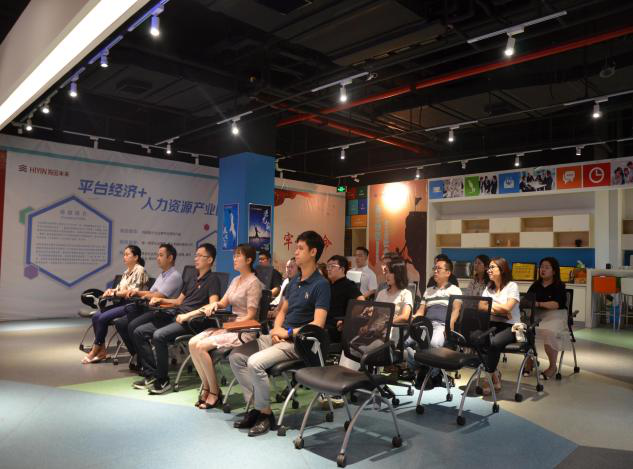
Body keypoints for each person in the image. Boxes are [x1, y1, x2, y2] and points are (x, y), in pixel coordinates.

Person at [228, 231, 330, 436]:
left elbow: (317, 324)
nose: (296, 252)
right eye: (296, 248)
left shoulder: (321, 285)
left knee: (254, 363)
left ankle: (266, 415)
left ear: (313, 252)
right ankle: (258, 407)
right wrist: (276, 330)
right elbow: (282, 311)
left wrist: (287, 332)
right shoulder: (294, 281)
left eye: (300, 248)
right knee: (236, 357)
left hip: (298, 343)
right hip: (279, 336)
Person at [132, 243, 221, 394]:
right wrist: (161, 300)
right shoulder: (192, 278)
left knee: (159, 335)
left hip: (192, 322)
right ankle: (151, 374)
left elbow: (212, 305)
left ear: (210, 260)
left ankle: (163, 380)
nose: (196, 258)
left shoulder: (213, 279)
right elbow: (179, 301)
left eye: (200, 256)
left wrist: (189, 315)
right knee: (139, 331)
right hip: (177, 315)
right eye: (196, 255)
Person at [186, 244, 263, 409]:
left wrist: (232, 325)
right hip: (230, 327)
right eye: (234, 255)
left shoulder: (254, 283)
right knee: (192, 343)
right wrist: (214, 305)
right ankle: (207, 388)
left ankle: (214, 392)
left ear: (249, 260)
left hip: (244, 331)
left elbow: (250, 316)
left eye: (238, 256)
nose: (234, 259)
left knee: (201, 346)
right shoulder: (236, 280)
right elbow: (222, 303)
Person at [113, 244, 183, 366]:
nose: (157, 258)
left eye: (161, 255)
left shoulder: (174, 276)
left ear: (170, 258)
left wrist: (141, 294)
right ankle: (137, 355)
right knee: (120, 323)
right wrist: (137, 292)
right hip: (151, 309)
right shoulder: (162, 274)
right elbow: (151, 292)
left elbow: (158, 295)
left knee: (133, 326)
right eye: (157, 255)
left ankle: (144, 362)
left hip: (163, 313)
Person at [81, 245, 149, 364]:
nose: (124, 257)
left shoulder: (140, 270)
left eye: (127, 254)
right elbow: (119, 289)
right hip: (122, 303)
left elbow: (132, 292)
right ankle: (102, 352)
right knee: (96, 316)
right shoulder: (126, 272)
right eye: (124, 254)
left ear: (136, 257)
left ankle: (94, 350)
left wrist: (116, 293)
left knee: (102, 318)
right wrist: (111, 291)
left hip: (133, 305)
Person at [407, 258, 462, 387]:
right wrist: (414, 318)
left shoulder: (455, 290)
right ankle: (421, 369)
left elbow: (456, 311)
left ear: (448, 273)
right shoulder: (428, 290)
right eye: (434, 268)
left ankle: (431, 374)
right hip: (426, 325)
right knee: (406, 342)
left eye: (439, 269)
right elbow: (421, 311)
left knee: (434, 343)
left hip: (442, 325)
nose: (435, 271)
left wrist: (449, 327)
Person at [480, 257, 521, 395]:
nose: (488, 270)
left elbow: (508, 308)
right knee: (477, 339)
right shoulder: (489, 287)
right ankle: (495, 374)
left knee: (494, 343)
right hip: (491, 324)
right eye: (488, 267)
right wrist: (501, 310)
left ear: (502, 270)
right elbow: (481, 306)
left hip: (511, 326)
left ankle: (487, 377)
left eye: (492, 267)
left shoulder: (512, 286)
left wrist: (491, 307)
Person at [524, 257, 567, 380]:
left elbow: (556, 304)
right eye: (541, 267)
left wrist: (538, 304)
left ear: (554, 271)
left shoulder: (559, 286)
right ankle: (530, 360)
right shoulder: (536, 285)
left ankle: (552, 366)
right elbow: (527, 300)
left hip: (555, 316)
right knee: (523, 329)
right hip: (537, 315)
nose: (543, 270)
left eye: (547, 267)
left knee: (548, 332)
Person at [326, 255, 364, 343]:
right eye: (328, 266)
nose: (329, 269)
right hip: (323, 322)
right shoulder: (326, 285)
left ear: (342, 269)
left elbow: (361, 302)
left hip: (335, 327)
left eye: (332, 266)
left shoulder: (349, 285)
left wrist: (346, 320)